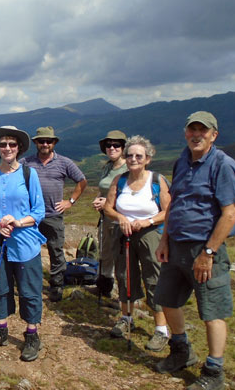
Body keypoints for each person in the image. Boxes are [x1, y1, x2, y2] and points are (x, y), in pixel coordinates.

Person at [154, 112, 235, 390]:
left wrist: (208, 253)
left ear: (213, 135)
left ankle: (214, 371)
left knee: (211, 312)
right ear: (186, 133)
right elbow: (174, 204)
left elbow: (230, 214)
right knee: (167, 300)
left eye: (203, 131)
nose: (197, 135)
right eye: (192, 130)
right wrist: (164, 239)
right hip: (176, 246)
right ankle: (182, 351)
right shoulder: (181, 160)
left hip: (205, 249)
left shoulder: (223, 164)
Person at [0, 126, 47, 361]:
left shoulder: (29, 175)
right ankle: (1, 329)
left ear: (19, 148)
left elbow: (38, 211)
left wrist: (17, 222)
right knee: (0, 287)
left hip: (25, 244)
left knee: (29, 291)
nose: (7, 148)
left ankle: (32, 334)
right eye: (3, 144)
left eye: (12, 144)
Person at [103, 135, 171, 352]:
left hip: (151, 235)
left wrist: (147, 221)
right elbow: (108, 207)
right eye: (130, 155)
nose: (133, 159)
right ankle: (126, 317)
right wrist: (120, 218)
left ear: (147, 159)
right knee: (124, 276)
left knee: (154, 279)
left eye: (138, 156)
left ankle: (161, 329)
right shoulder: (120, 180)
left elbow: (168, 211)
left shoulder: (156, 181)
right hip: (123, 235)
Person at [20, 126, 87, 302]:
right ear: (35, 142)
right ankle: (28, 283)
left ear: (54, 142)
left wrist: (70, 201)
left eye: (48, 141)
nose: (45, 144)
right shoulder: (26, 162)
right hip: (30, 215)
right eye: (41, 141)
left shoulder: (64, 163)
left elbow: (82, 181)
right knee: (28, 250)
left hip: (52, 215)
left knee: (56, 250)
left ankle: (56, 285)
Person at [92, 131, 128, 298]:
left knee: (119, 256)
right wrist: (100, 199)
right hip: (105, 218)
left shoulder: (128, 167)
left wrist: (106, 202)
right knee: (105, 252)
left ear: (123, 147)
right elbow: (104, 189)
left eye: (116, 145)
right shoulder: (108, 167)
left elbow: (131, 193)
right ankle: (104, 287)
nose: (112, 148)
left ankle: (123, 294)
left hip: (120, 219)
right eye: (108, 145)